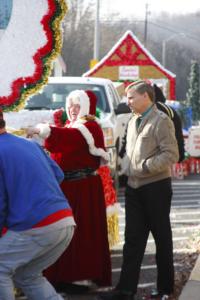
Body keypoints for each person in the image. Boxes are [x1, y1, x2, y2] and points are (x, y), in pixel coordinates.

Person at [99, 80, 179, 300]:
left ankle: (165, 289)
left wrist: (144, 167)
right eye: (127, 97)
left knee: (162, 239)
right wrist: (126, 168)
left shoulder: (161, 121)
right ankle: (125, 290)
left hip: (156, 188)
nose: (128, 101)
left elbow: (171, 154)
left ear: (146, 97)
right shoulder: (133, 120)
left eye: (132, 97)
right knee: (132, 240)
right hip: (134, 188)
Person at [27, 90, 112, 292]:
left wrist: (42, 129)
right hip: (70, 188)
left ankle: (80, 276)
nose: (72, 109)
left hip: (82, 189)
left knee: (80, 234)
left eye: (76, 105)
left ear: (85, 107)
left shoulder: (90, 126)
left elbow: (67, 138)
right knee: (66, 234)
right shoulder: (74, 126)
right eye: (70, 105)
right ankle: (65, 275)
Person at [0, 108, 75, 300]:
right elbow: (58, 175)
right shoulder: (29, 144)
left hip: (36, 223)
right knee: (27, 276)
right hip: (64, 219)